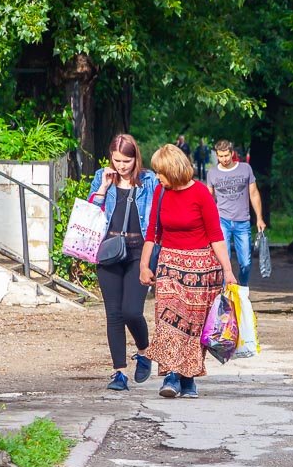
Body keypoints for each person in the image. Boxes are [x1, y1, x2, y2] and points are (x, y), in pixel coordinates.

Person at [139, 144, 237, 399]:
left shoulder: (201, 193)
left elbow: (216, 235)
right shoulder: (160, 192)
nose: (157, 177)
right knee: (168, 321)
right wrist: (143, 265)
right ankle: (171, 375)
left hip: (201, 269)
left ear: (173, 169)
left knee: (193, 326)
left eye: (161, 172)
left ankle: (189, 378)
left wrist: (227, 270)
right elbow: (152, 232)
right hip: (169, 265)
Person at [87, 134, 158, 392]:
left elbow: (155, 220)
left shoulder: (149, 180)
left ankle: (144, 350)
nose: (121, 166)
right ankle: (119, 373)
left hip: (139, 251)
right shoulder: (102, 176)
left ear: (135, 157)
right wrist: (104, 188)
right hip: (108, 251)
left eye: (126, 160)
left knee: (132, 311)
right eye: (117, 160)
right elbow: (91, 211)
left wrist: (154, 259)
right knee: (114, 314)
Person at [205, 139, 266, 287]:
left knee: (245, 262)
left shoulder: (245, 169)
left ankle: (243, 286)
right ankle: (227, 292)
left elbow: (254, 193)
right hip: (222, 221)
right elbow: (208, 199)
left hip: (242, 221)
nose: (224, 159)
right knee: (223, 260)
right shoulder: (212, 173)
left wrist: (259, 218)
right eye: (220, 156)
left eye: (226, 155)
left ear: (232, 153)